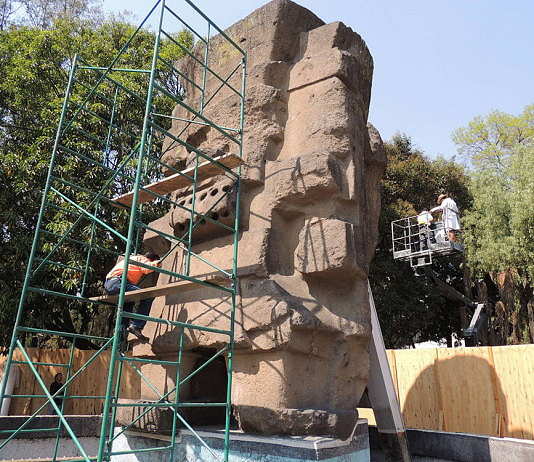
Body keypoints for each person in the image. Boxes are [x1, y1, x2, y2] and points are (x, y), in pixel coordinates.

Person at [104, 252, 160, 341]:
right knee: (147, 296)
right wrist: (158, 262)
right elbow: (146, 268)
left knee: (128, 305)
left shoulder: (130, 259)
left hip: (110, 284)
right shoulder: (141, 258)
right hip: (119, 282)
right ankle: (136, 325)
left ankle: (119, 338)